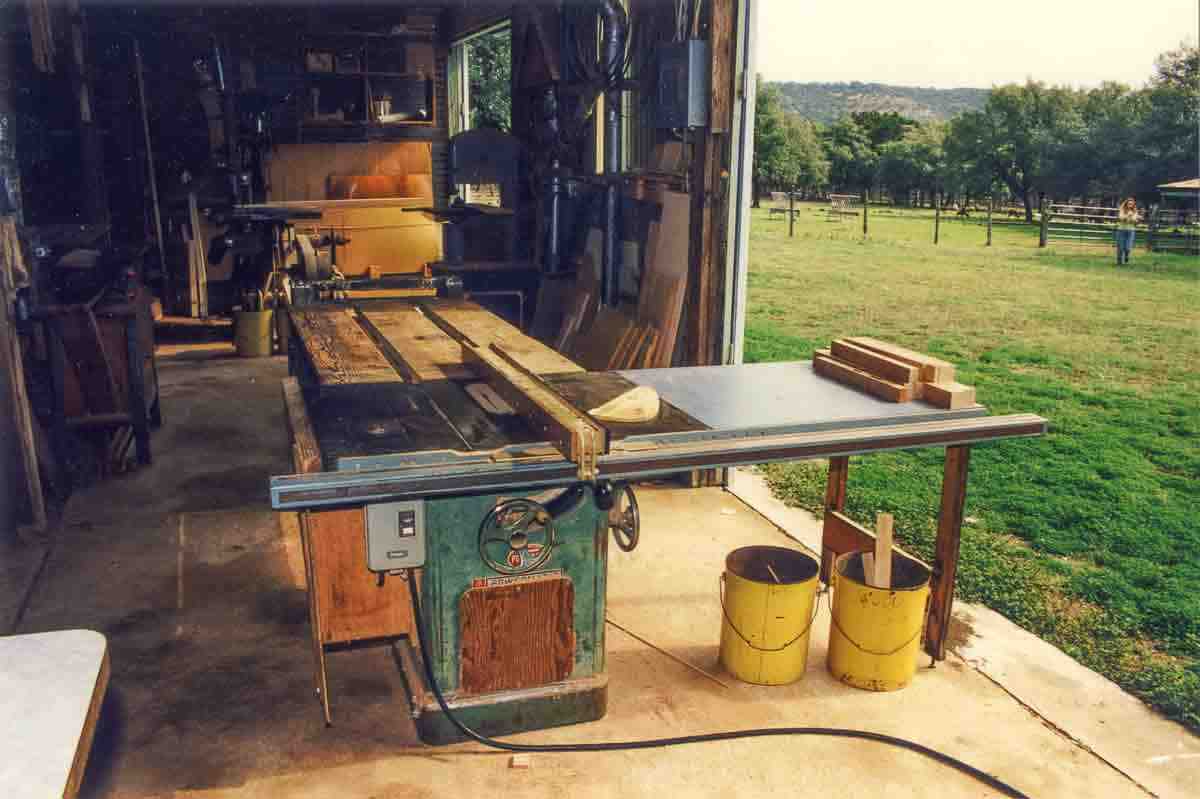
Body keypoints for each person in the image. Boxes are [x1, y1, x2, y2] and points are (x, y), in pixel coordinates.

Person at [1115, 198, 1138, 264]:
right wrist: (1128, 215)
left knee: (1128, 248)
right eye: (1129, 203)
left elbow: (1134, 221)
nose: (1130, 205)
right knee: (1120, 247)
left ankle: (1126, 256)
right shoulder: (1122, 210)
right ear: (1126, 204)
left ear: (1133, 205)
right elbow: (1121, 218)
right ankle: (1119, 261)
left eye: (1131, 204)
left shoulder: (1135, 211)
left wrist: (1133, 219)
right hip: (1121, 230)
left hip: (1130, 231)